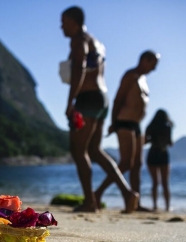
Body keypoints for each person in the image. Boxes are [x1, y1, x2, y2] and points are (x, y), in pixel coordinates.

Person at [60, 6, 139, 213]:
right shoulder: (98, 43)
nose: (61, 26)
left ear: (74, 22)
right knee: (94, 150)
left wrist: (71, 102)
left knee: (78, 150)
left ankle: (89, 202)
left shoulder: (79, 40)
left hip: (87, 99)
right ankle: (128, 193)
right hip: (102, 98)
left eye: (64, 22)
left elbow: (79, 68)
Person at [94, 50, 160, 212]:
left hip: (137, 125)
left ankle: (134, 203)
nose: (154, 69)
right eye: (154, 64)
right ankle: (97, 193)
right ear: (145, 60)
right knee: (126, 163)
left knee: (137, 164)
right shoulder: (130, 75)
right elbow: (118, 99)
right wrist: (113, 122)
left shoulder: (143, 79)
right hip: (124, 122)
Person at [144, 109, 173, 212]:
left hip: (152, 153)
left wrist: (152, 139)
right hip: (163, 153)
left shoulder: (151, 126)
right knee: (165, 183)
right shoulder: (167, 127)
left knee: (155, 182)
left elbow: (145, 141)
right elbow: (170, 142)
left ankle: (155, 205)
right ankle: (167, 206)